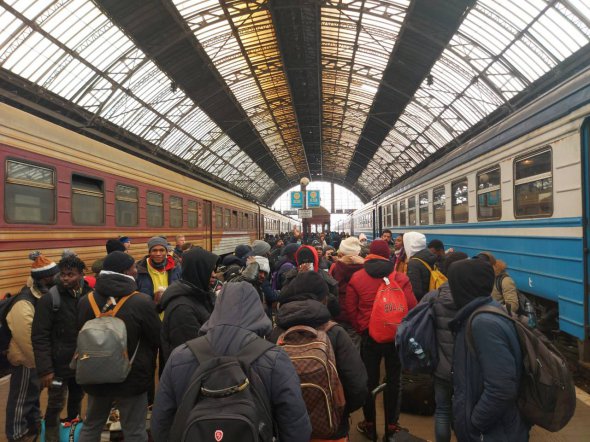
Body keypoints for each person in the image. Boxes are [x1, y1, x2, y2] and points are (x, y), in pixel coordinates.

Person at [151, 281, 312, 442]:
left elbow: (161, 424)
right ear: (258, 311)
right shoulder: (274, 359)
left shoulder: (179, 357)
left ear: (217, 309)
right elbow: (295, 426)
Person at [270, 272, 368, 441]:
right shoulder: (335, 332)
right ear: (323, 300)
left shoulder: (276, 335)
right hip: (331, 430)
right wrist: (339, 412)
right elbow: (357, 386)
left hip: (287, 431)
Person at [77, 252, 161, 442]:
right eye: (133, 267)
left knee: (91, 427)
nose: (135, 270)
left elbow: (79, 333)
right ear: (125, 271)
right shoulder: (141, 302)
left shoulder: (85, 301)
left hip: (95, 375)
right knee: (134, 430)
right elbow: (156, 337)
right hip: (132, 377)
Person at [448, 258, 530, 441]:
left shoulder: (483, 323)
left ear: (463, 287)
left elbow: (501, 388)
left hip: (493, 432)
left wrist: (475, 423)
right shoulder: (487, 312)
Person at [345, 240, 417, 441]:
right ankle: (391, 426)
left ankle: (369, 425)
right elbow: (412, 307)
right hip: (395, 336)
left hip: (369, 337)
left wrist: (362, 328)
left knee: (369, 380)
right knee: (394, 380)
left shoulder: (357, 277)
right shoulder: (400, 278)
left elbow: (350, 309)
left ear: (368, 255)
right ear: (388, 255)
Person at [32, 254, 92, 442]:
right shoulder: (50, 299)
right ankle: (52, 438)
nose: (65, 278)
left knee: (77, 398)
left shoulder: (90, 295)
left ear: (81, 274)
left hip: (81, 363)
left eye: (71, 274)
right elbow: (39, 336)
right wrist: (45, 370)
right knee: (55, 404)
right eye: (63, 274)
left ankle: (72, 433)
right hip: (57, 368)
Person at [5, 252, 59, 442]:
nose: (56, 279)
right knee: (21, 399)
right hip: (26, 360)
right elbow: (26, 337)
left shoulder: (42, 295)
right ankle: (17, 433)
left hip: (37, 359)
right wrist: (41, 362)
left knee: (33, 397)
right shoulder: (24, 302)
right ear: (43, 279)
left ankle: (33, 426)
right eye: (53, 276)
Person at [419, 251, 468, 442]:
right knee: (465, 410)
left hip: (441, 366)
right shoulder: (475, 298)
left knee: (442, 410)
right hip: (468, 368)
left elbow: (415, 327)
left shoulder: (433, 297)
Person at [157, 247, 218, 366]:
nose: (214, 275)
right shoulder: (182, 308)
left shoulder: (199, 294)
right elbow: (193, 353)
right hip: (189, 375)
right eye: (210, 270)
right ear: (198, 271)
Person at [329, 237, 365, 350]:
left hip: (338, 313)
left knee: (339, 347)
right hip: (356, 314)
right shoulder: (364, 269)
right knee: (354, 347)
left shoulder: (336, 267)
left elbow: (332, 290)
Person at [136, 236, 182, 303]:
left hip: (171, 310)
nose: (158, 254)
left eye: (161, 250)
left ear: (166, 252)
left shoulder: (176, 267)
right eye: (154, 250)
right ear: (149, 252)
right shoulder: (140, 269)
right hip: (149, 311)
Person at [405, 231, 437, 301]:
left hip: (422, 302)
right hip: (431, 298)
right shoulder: (430, 256)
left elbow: (415, 292)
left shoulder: (413, 263)